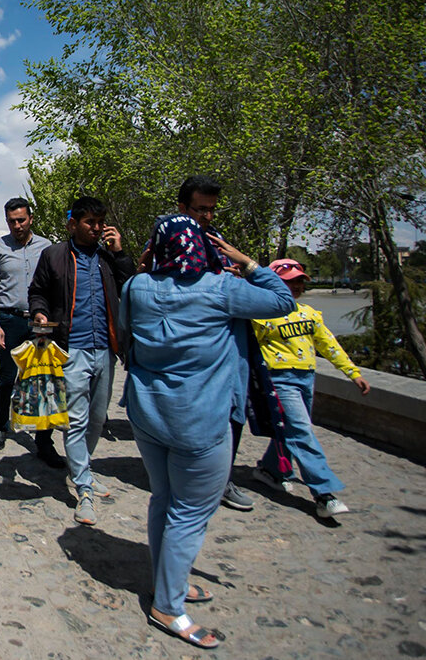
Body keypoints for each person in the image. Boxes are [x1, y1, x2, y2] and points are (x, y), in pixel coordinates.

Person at [120, 214, 293, 650]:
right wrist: (249, 263)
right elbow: (282, 300)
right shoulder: (222, 288)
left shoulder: (136, 287)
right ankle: (169, 605)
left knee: (164, 500)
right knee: (190, 513)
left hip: (148, 414)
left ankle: (167, 584)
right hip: (199, 419)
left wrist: (146, 268)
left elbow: (125, 335)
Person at [28, 196, 135, 525]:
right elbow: (37, 292)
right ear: (72, 224)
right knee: (75, 420)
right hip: (70, 349)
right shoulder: (54, 255)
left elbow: (131, 287)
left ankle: (82, 468)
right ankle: (84, 488)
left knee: (97, 419)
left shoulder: (106, 256)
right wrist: (40, 313)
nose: (97, 228)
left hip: (106, 349)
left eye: (101, 222)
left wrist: (120, 253)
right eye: (90, 222)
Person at [251, 258, 371, 518]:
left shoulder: (309, 314)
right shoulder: (259, 316)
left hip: (306, 378)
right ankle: (324, 494)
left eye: (299, 281)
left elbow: (328, 344)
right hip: (279, 381)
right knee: (302, 432)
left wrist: (352, 372)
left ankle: (270, 470)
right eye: (289, 281)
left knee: (292, 429)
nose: (295, 287)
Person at [174, 175, 256, 512]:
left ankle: (222, 479)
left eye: (211, 210)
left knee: (234, 407)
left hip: (230, 340)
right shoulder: (174, 241)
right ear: (183, 208)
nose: (207, 217)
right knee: (193, 411)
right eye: (200, 210)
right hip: (194, 341)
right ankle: (190, 478)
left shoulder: (218, 240)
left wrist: (236, 271)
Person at [0, 197, 53, 450]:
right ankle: (0, 426)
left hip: (40, 321)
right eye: (12, 221)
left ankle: (44, 439)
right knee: (7, 378)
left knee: (42, 379)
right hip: (9, 320)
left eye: (21, 220)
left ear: (31, 219)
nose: (17, 225)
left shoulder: (46, 247)